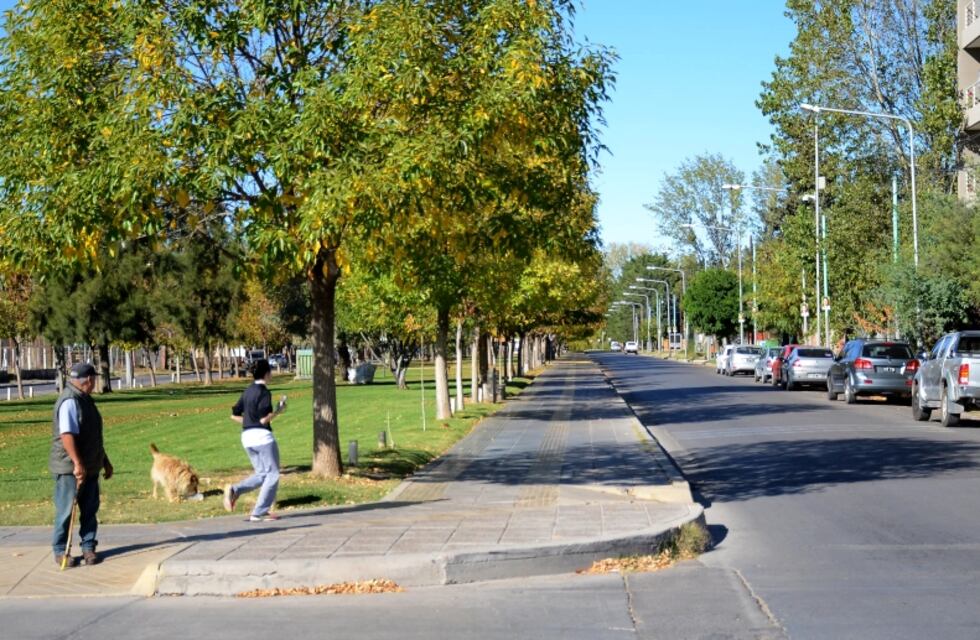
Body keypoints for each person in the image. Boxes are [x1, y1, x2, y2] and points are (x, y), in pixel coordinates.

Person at [50, 362, 113, 567]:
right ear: (89, 380)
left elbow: (92, 436)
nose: (95, 383)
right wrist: (77, 464)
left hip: (91, 465)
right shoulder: (70, 400)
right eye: (94, 379)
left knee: (89, 510)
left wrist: (104, 461)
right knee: (66, 511)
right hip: (70, 468)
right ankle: (61, 551)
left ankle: (88, 548)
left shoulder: (85, 399)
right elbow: (67, 435)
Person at [224, 359, 283, 522]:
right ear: (266, 374)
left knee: (262, 474)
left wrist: (250, 422)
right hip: (263, 438)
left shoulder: (248, 391)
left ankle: (235, 490)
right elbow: (264, 420)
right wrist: (279, 410)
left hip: (247, 438)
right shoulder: (264, 392)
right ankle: (259, 512)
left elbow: (234, 415)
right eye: (270, 371)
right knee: (273, 474)